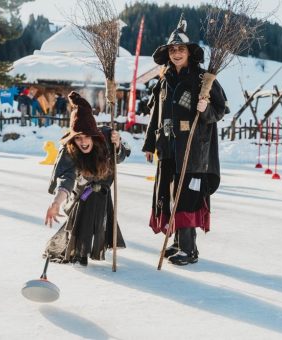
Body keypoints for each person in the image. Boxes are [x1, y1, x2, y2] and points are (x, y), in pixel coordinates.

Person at [142, 15, 229, 266]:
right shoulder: (163, 81)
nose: (176, 53)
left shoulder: (203, 80)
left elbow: (220, 110)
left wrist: (205, 108)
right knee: (171, 195)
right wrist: (150, 144)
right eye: (172, 49)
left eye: (181, 49)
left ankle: (189, 250)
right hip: (168, 147)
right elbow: (155, 115)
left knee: (186, 196)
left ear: (189, 52)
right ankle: (179, 243)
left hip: (192, 149)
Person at [44, 91, 130, 266]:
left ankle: (96, 247)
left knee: (100, 220)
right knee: (82, 219)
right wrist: (56, 203)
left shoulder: (106, 137)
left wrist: (118, 144)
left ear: (94, 135)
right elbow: (66, 180)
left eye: (86, 137)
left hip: (103, 190)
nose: (83, 142)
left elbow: (120, 157)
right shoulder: (69, 150)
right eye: (78, 138)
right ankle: (79, 251)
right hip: (83, 190)